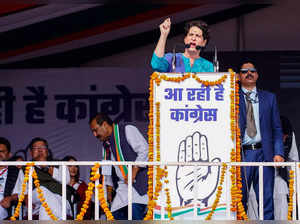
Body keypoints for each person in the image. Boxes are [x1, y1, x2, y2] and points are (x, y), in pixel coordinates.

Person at [238, 61, 284, 220]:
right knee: (239, 200)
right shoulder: (231, 98)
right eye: (244, 71)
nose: (248, 73)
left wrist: (278, 152)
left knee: (266, 200)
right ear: (238, 76)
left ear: (257, 75)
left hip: (265, 153)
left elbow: (277, 128)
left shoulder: (269, 98)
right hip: (242, 155)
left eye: (252, 70)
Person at [89, 113, 148, 220]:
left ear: (105, 125)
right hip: (123, 187)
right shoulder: (106, 145)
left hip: (138, 184)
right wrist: (108, 189)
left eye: (95, 130)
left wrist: (134, 170)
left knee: (134, 213)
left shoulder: (127, 130)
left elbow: (144, 150)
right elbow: (107, 168)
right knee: (113, 216)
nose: (95, 134)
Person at [27, 137, 74, 220]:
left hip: (61, 200)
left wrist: (48, 167)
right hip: (37, 201)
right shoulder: (25, 168)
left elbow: (66, 181)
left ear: (47, 152)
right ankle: (62, 219)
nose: (40, 150)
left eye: (43, 148)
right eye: (36, 148)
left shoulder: (59, 164)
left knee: (45, 210)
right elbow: (19, 191)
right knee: (42, 190)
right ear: (31, 152)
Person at [0, 137, 24, 220]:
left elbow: (21, 192)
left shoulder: (16, 170)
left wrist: (10, 198)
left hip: (3, 205)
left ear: (9, 154)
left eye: (2, 151)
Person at [62, 155, 92, 219]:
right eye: (70, 166)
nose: (73, 168)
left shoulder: (83, 185)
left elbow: (87, 207)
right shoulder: (58, 183)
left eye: (76, 166)